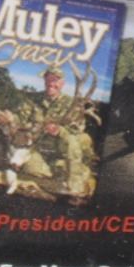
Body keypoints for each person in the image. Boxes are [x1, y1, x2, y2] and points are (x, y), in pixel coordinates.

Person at [16, 67, 95, 198]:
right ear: (44, 81)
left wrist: (60, 130)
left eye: (56, 80)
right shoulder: (32, 99)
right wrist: (9, 118)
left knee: (73, 139)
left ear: (62, 83)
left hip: (63, 147)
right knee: (30, 168)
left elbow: (78, 128)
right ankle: (65, 171)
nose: (51, 83)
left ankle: (75, 186)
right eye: (48, 79)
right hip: (39, 147)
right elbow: (20, 118)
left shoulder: (72, 103)